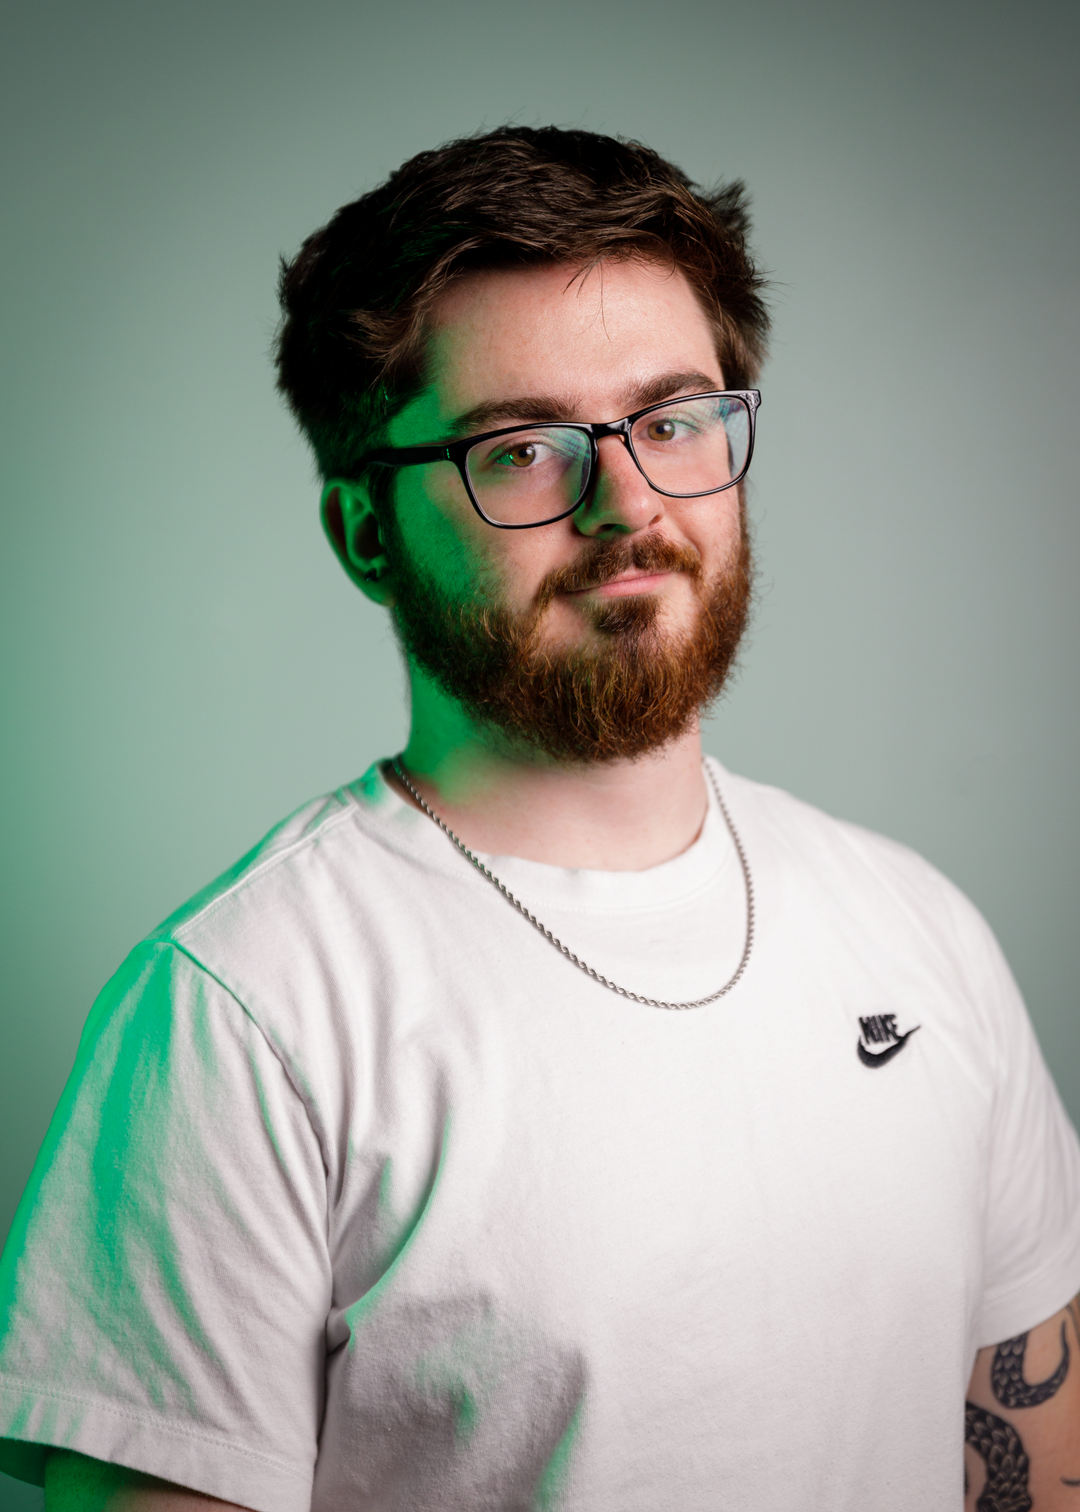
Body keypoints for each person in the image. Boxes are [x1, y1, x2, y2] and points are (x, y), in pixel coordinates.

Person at [1, 126, 1078, 1512]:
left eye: (674, 419)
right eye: (522, 449)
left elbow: (1028, 1465)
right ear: (364, 534)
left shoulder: (921, 934)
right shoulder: (239, 1013)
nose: (627, 503)